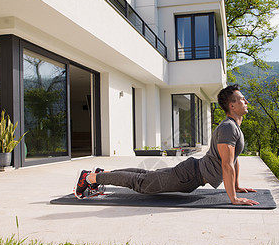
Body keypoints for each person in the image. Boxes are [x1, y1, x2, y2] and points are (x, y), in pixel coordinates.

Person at [74, 84, 259, 206]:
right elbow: (226, 165)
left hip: (191, 174)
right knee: (141, 183)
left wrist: (236, 186)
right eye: (242, 99)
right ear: (232, 106)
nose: (246, 101)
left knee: (145, 175)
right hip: (190, 175)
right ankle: (90, 179)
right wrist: (233, 199)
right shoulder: (228, 128)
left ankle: (101, 174)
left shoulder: (234, 127)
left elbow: (234, 160)